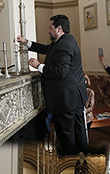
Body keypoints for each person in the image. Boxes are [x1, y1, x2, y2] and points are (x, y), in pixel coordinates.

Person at [17, 15, 88, 156]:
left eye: (50, 28)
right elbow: (46, 49)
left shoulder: (64, 45)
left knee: (67, 137)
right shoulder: (64, 40)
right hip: (74, 98)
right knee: (79, 133)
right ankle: (83, 160)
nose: (48, 31)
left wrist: (39, 66)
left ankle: (71, 164)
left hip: (66, 100)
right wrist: (26, 42)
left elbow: (61, 72)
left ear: (59, 28)